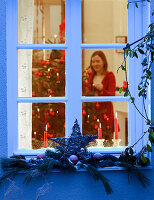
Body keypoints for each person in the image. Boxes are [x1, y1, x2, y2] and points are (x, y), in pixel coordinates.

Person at [83, 50, 116, 146]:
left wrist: (102, 90)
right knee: (92, 144)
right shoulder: (91, 76)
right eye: (93, 61)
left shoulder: (110, 76)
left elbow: (112, 96)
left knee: (107, 143)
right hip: (93, 115)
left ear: (104, 62)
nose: (95, 64)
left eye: (98, 61)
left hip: (105, 114)